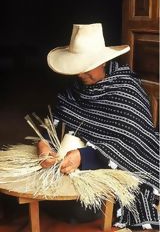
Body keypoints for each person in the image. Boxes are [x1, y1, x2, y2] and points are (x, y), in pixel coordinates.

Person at [37, 23, 159, 229]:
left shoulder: (126, 90)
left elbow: (132, 141)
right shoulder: (75, 90)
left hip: (120, 163)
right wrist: (44, 146)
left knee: (80, 211)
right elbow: (53, 126)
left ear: (104, 62)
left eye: (86, 67)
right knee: (52, 196)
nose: (80, 74)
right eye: (78, 68)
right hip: (74, 167)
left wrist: (83, 156)